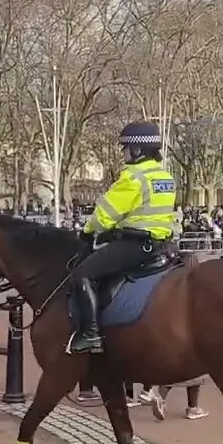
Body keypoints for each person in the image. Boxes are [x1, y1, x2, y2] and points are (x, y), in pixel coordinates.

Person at [68, 121, 178, 354]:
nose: (123, 152)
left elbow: (104, 215)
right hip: (162, 245)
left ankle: (91, 333)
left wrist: (87, 232)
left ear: (137, 150)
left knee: (82, 273)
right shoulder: (164, 177)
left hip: (134, 245)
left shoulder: (133, 177)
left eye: (126, 147)